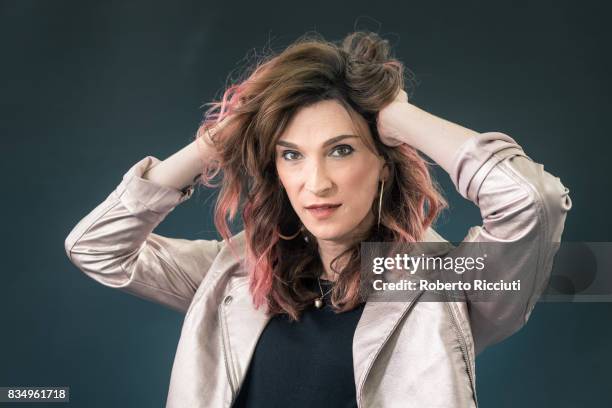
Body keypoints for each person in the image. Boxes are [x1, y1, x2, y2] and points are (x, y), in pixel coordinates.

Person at [64, 31, 572, 408]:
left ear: (384, 163)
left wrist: (398, 117)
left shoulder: (440, 282)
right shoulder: (235, 275)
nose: (317, 183)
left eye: (342, 150)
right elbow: (97, 248)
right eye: (291, 155)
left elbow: (534, 202)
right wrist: (216, 142)